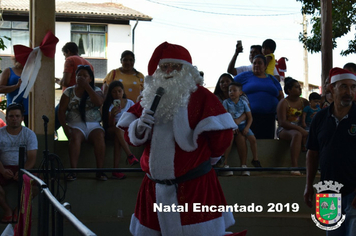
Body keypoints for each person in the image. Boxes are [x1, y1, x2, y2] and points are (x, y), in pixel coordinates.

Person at [118, 42, 244, 235]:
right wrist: (139, 128)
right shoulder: (149, 95)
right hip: (153, 189)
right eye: (164, 66)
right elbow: (128, 131)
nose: (169, 71)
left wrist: (206, 162)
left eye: (175, 66)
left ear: (187, 70)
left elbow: (223, 135)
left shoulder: (202, 96)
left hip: (194, 187)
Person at [304, 67, 356, 236]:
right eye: (343, 87)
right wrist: (308, 185)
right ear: (332, 88)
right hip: (328, 191)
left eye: (353, 87)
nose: (349, 92)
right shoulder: (319, 118)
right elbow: (312, 153)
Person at [58, 65, 107, 181]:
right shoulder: (69, 92)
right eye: (79, 75)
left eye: (85, 76)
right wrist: (65, 128)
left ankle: (100, 171)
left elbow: (99, 102)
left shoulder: (96, 90)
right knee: (75, 137)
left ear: (90, 78)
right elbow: (61, 111)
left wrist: (87, 87)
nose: (81, 77)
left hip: (93, 125)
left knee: (100, 136)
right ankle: (73, 172)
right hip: (75, 124)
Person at [0, 103, 37, 223]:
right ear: (6, 118)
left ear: (22, 118)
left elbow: (32, 158)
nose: (14, 119)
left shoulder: (29, 134)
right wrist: (2, 170)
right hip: (3, 168)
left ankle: (17, 210)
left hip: (23, 168)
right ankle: (7, 210)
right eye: (11, 116)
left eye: (17, 116)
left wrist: (22, 172)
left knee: (39, 184)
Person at [234, 54, 284, 139]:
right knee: (251, 142)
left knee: (267, 142)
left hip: (269, 116)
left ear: (265, 66)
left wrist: (281, 115)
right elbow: (230, 85)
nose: (257, 65)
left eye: (260, 63)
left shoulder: (272, 79)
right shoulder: (244, 76)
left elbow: (281, 96)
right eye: (254, 63)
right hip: (249, 116)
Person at [101, 81, 139, 179]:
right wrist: (113, 115)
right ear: (110, 93)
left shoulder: (130, 103)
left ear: (123, 91)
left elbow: (135, 118)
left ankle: (115, 170)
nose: (117, 94)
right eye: (114, 92)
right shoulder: (109, 105)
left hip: (126, 130)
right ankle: (130, 155)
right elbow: (109, 125)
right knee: (118, 129)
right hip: (112, 129)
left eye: (119, 91)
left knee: (118, 138)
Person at [222, 82, 261, 177]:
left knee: (248, 139)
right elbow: (225, 116)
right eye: (230, 90)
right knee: (228, 138)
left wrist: (246, 128)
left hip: (242, 126)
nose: (231, 92)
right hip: (229, 126)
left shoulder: (243, 102)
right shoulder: (226, 102)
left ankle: (246, 164)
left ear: (240, 92)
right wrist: (232, 126)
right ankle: (224, 165)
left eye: (234, 90)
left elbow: (249, 117)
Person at [55, 42, 93, 131]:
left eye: (64, 54)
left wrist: (59, 81)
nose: (65, 57)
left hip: (71, 98)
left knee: (52, 123)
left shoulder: (70, 60)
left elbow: (66, 81)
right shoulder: (89, 64)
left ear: (68, 51)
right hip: (85, 99)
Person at [276, 77, 309, 175]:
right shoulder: (283, 103)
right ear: (289, 90)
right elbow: (282, 122)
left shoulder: (304, 102)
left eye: (300, 87)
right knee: (297, 134)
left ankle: (316, 166)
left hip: (301, 127)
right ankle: (294, 167)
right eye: (296, 87)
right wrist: (299, 128)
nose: (300, 89)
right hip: (284, 129)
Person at [0, 57, 29, 127]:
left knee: (30, 130)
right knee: (11, 130)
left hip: (28, 108)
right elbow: (1, 88)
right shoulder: (8, 71)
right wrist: (16, 86)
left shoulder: (30, 72)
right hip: (13, 106)